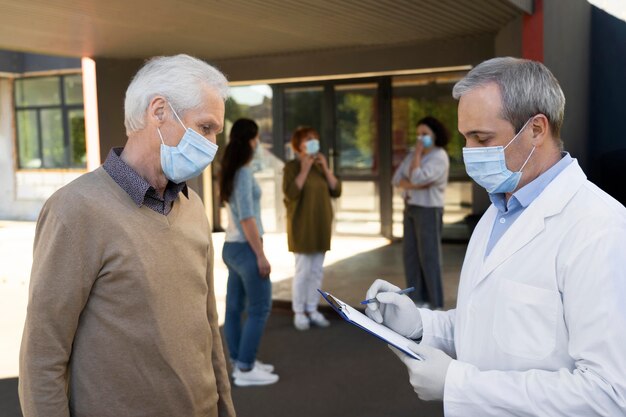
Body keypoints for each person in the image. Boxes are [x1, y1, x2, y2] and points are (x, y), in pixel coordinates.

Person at [365, 57, 626, 416]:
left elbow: (609, 394)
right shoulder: (499, 211)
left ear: (536, 129)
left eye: (482, 138)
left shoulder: (600, 228)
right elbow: (491, 324)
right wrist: (418, 323)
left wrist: (460, 385)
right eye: (465, 138)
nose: (470, 152)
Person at [19, 55, 236, 417]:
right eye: (206, 127)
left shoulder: (193, 207)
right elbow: (43, 354)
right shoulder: (75, 210)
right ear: (159, 111)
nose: (213, 144)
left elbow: (208, 329)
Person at [219, 118, 279, 386]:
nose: (259, 142)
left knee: (233, 308)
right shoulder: (243, 172)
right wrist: (260, 254)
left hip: (231, 247)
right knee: (260, 307)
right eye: (256, 137)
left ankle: (240, 361)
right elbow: (247, 217)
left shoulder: (231, 169)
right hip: (245, 248)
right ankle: (245, 369)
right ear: (250, 140)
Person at [283, 126, 342, 331]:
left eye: (316, 138)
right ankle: (299, 311)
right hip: (302, 226)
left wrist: (325, 167)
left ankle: (312, 308)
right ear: (299, 144)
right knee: (303, 271)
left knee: (316, 271)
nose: (314, 142)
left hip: (320, 224)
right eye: (309, 139)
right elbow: (290, 193)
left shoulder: (320, 166)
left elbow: (337, 189)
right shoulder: (291, 167)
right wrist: (305, 168)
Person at [392, 116, 450, 309]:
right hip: (410, 208)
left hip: (429, 209)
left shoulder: (439, 156)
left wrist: (417, 157)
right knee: (410, 255)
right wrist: (416, 184)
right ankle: (417, 299)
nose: (420, 139)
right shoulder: (412, 156)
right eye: (418, 135)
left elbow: (416, 177)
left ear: (435, 135)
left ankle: (435, 302)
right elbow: (396, 179)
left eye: (424, 134)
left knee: (429, 257)